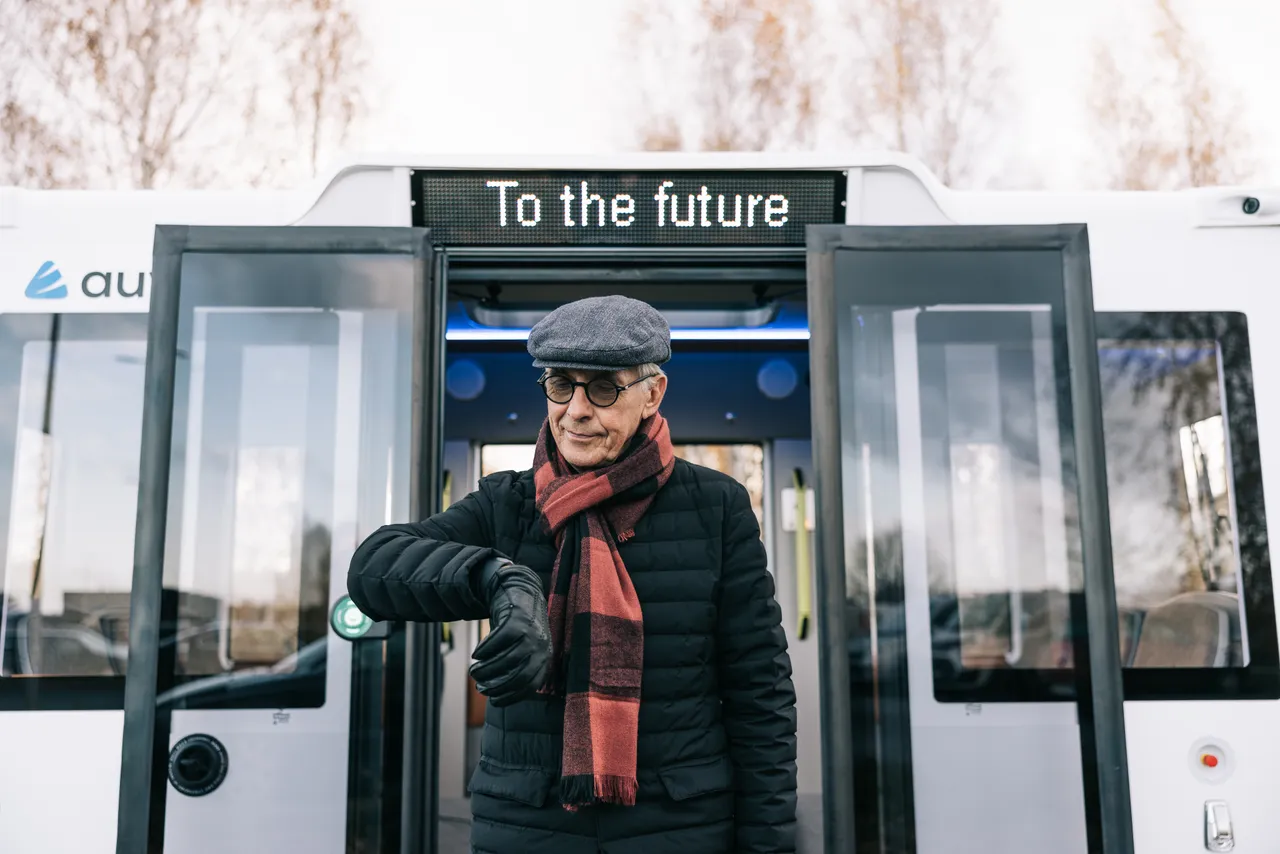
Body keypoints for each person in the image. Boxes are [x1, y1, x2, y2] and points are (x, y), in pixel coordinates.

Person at [346, 294, 798, 854]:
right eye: (561, 385)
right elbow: (373, 567)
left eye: (604, 388)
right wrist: (496, 578)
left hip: (678, 828)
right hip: (529, 828)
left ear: (652, 393)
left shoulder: (717, 506)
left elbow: (761, 695)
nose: (576, 410)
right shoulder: (506, 504)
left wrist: (768, 844)